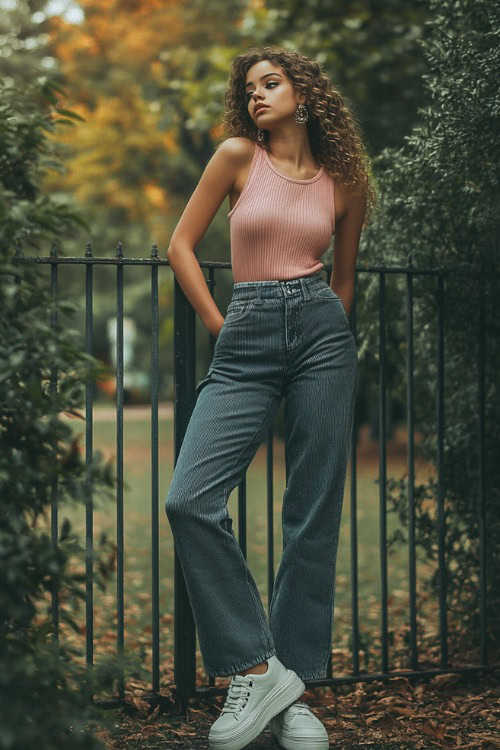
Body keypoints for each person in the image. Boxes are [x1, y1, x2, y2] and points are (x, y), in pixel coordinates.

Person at [165, 45, 376, 750]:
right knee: (189, 500)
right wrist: (224, 325)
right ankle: (257, 668)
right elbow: (180, 246)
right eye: (249, 87)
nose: (257, 95)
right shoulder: (235, 157)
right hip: (246, 332)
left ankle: (295, 700)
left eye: (271, 82)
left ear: (304, 92)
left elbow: (342, 282)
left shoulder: (343, 181)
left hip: (322, 336)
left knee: (311, 515)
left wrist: (332, 344)